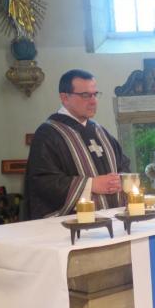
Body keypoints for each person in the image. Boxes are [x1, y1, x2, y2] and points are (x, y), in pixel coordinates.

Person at [24, 69, 130, 220]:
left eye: (95, 94)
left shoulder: (101, 132)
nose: (93, 101)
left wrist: (119, 180)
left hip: (112, 220)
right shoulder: (48, 133)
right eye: (85, 95)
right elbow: (42, 182)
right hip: (73, 227)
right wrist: (91, 185)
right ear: (65, 97)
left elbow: (123, 164)